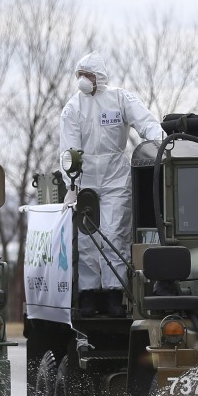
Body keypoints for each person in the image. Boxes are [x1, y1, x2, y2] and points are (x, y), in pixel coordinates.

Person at [60, 51, 164, 317]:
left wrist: (163, 143)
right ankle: (88, 295)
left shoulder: (120, 99)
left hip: (116, 176)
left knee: (114, 234)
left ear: (100, 77)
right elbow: (68, 151)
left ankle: (114, 294)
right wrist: (71, 186)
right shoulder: (73, 108)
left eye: (88, 75)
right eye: (80, 75)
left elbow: (146, 123)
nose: (83, 80)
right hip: (86, 178)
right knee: (87, 238)